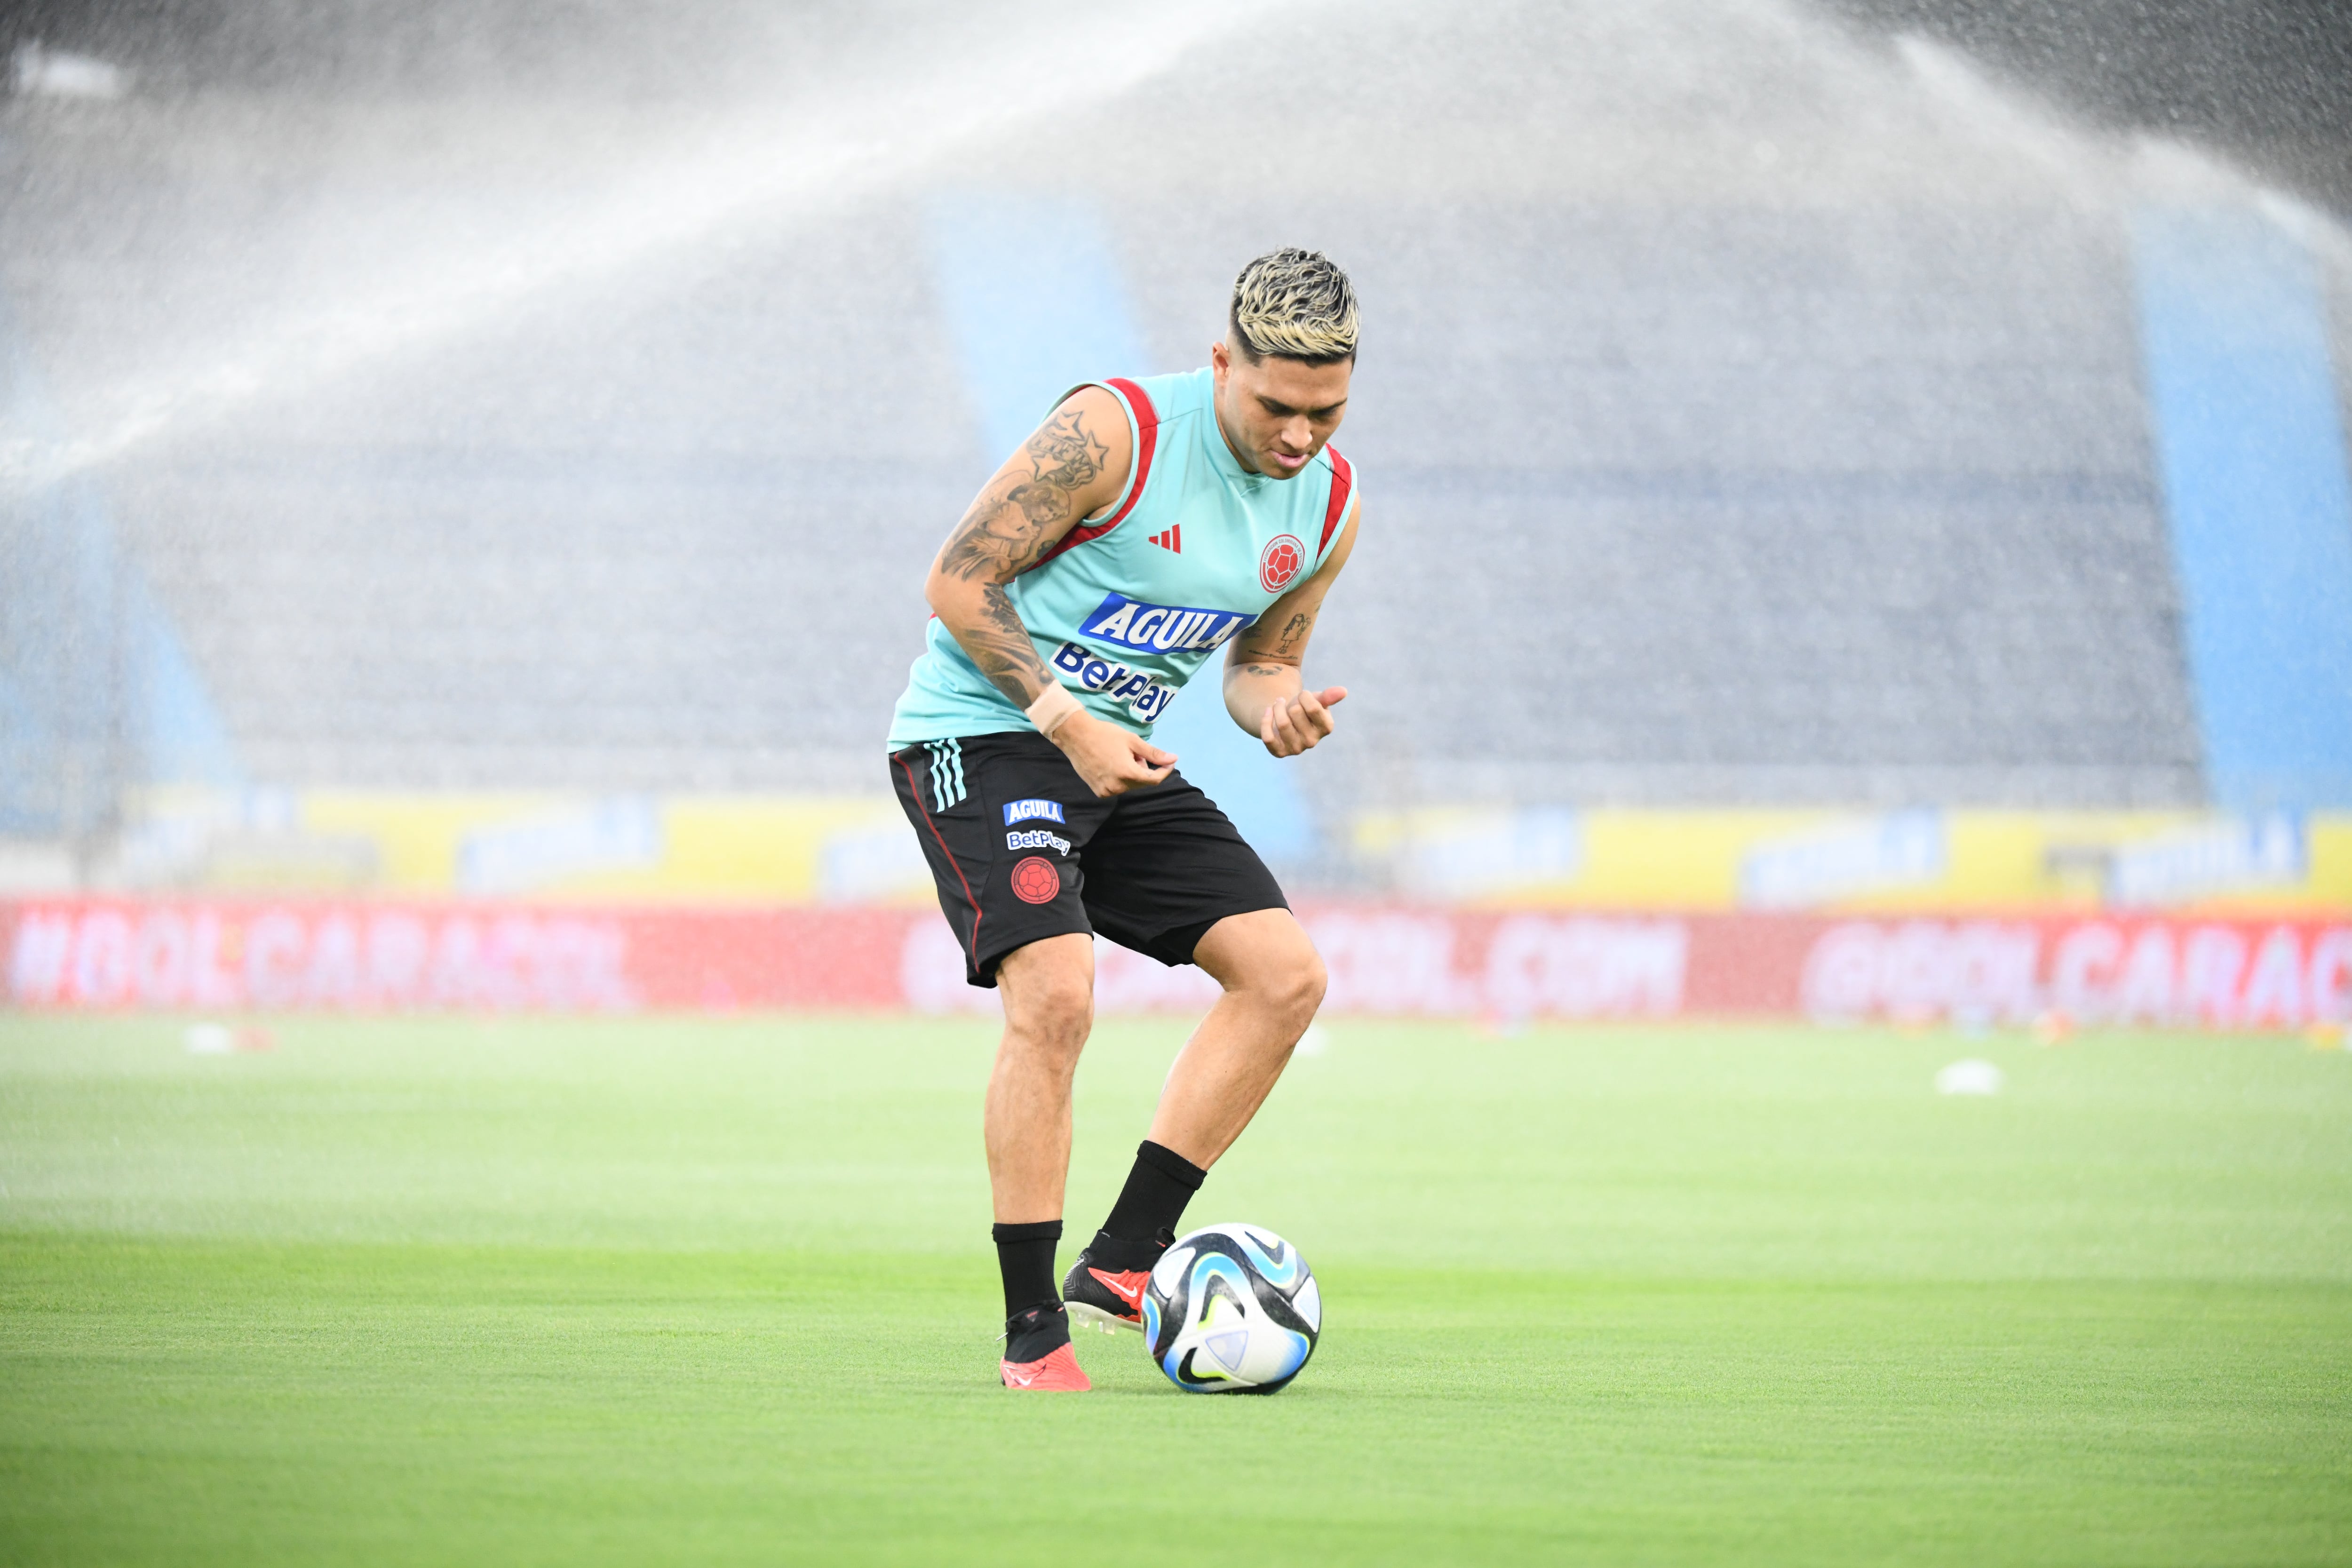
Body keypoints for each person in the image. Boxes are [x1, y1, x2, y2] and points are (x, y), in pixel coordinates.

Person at [887, 247, 1362, 1391]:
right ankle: (1031, 1330)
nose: (1301, 436)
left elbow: (1260, 665)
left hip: (1118, 760)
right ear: (1221, 363)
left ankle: (1124, 1260)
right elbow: (956, 580)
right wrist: (1066, 719)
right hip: (987, 734)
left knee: (1285, 976)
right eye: (1278, 406)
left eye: (1327, 411)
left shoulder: (1330, 503)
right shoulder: (1116, 431)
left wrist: (1277, 708)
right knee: (1055, 995)